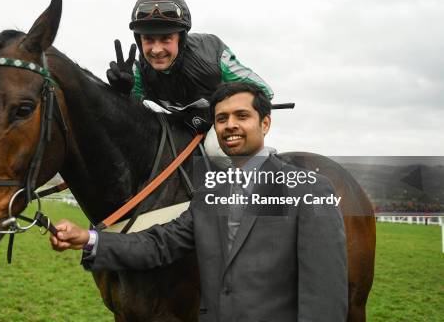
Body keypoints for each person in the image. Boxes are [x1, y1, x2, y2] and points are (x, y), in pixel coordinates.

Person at [50, 82, 348, 322]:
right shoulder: (211, 194)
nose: (230, 125)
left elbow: (325, 296)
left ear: (265, 123)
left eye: (242, 116)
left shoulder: (309, 190)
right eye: (221, 118)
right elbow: (159, 244)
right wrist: (88, 239)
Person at [106, 0, 273, 134]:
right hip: (176, 129)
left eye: (166, 39)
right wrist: (122, 94)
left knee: (216, 151)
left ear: (181, 38)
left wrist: (217, 113)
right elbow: (128, 117)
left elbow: (263, 91)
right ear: (139, 40)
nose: (156, 50)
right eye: (148, 39)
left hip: (218, 127)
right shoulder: (138, 71)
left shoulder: (213, 55)